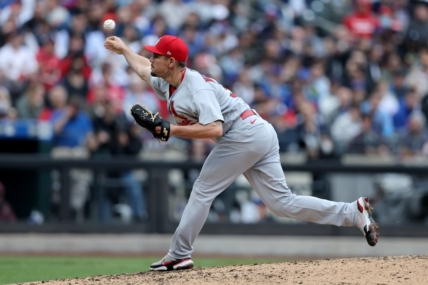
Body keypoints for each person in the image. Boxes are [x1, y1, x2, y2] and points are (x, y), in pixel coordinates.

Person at [104, 34, 380, 271]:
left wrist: (169, 130)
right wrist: (125, 50)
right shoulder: (168, 80)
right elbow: (142, 69)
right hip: (257, 132)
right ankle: (353, 213)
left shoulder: (196, 87)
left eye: (156, 55)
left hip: (242, 135)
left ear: (171, 62)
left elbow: (214, 129)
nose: (150, 59)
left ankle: (178, 255)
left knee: (202, 189)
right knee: (282, 204)